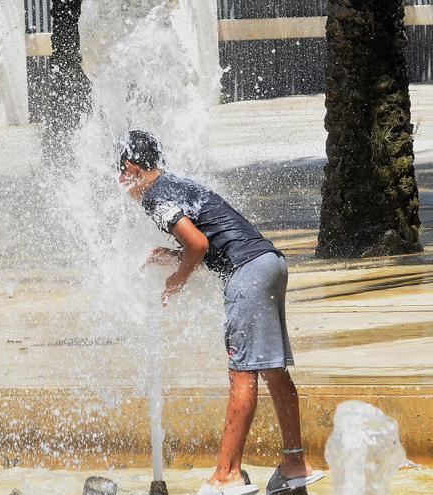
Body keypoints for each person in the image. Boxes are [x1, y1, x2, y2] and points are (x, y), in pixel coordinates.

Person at [117, 131, 325, 495]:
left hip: (246, 274)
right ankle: (295, 463)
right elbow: (210, 239)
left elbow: (197, 243)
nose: (121, 185)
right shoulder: (175, 183)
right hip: (269, 263)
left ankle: (227, 473)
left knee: (242, 373)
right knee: (273, 370)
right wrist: (175, 257)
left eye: (120, 175)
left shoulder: (155, 197)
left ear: (131, 168)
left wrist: (177, 279)